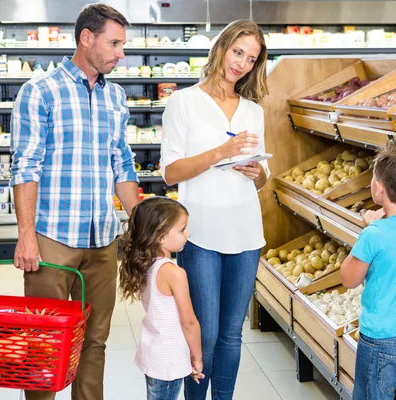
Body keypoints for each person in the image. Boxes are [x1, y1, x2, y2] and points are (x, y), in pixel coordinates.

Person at [10, 4, 138, 400]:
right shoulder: (40, 91)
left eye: (122, 45)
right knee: (45, 343)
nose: (121, 53)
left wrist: (140, 223)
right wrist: (26, 236)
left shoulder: (115, 96)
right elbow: (25, 166)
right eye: (114, 43)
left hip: (102, 240)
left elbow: (122, 162)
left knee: (95, 342)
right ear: (87, 38)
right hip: (52, 239)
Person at [159, 19, 269, 400]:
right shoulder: (183, 102)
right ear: (221, 48)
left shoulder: (253, 110)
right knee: (204, 332)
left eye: (251, 58)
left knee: (231, 335)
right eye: (237, 52)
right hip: (201, 231)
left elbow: (262, 178)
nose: (241, 63)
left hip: (246, 231)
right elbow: (171, 172)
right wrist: (220, 153)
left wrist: (258, 173)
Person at [340, 141, 396, 400]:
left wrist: (365, 230)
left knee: (370, 395)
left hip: (381, 336)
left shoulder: (374, 234)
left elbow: (348, 279)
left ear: (378, 189)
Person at [119, 197, 205, 400]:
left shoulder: (147, 264)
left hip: (153, 352)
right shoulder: (173, 273)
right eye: (182, 229)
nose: (188, 234)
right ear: (161, 237)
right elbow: (189, 322)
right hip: (169, 359)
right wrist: (197, 356)